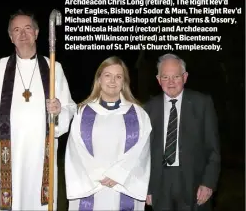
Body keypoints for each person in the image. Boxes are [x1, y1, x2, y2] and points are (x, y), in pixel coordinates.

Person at [0, 10, 77, 210]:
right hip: (7, 156)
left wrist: (59, 111)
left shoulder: (54, 68)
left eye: (27, 28)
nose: (22, 34)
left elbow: (70, 108)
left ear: (37, 33)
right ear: (11, 37)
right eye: (16, 30)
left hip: (41, 156)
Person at [64, 56, 152, 210]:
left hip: (124, 186)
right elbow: (76, 150)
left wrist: (118, 174)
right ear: (99, 80)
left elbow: (141, 151)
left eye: (118, 77)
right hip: (91, 185)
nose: (113, 81)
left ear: (124, 82)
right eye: (107, 75)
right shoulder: (83, 112)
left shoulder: (138, 114)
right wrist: (99, 175)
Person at [144, 53, 220, 211]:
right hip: (160, 185)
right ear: (158, 79)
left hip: (194, 184)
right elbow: (143, 153)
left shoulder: (202, 104)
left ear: (185, 77)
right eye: (165, 77)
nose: (170, 82)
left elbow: (213, 150)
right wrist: (147, 187)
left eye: (176, 76)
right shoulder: (148, 108)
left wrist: (208, 183)